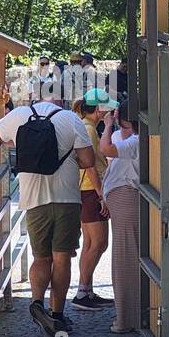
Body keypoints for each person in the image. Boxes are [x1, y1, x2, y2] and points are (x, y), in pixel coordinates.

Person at [0, 94, 95, 334]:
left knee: (40, 257)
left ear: (35, 103)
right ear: (61, 104)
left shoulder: (19, 115)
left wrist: (19, 144)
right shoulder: (70, 118)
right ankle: (57, 314)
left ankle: (37, 302)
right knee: (61, 258)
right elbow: (88, 160)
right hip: (67, 197)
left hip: (33, 198)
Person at [71, 88, 117, 311]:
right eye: (107, 106)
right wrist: (101, 195)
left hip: (87, 191)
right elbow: (89, 166)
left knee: (92, 244)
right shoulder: (88, 130)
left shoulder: (85, 126)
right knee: (98, 243)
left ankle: (86, 291)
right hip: (90, 191)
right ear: (98, 109)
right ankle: (81, 292)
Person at [100, 100, 140, 334]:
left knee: (124, 259)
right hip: (121, 198)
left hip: (125, 198)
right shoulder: (130, 139)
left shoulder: (134, 141)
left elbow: (105, 149)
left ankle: (126, 318)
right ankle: (128, 315)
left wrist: (107, 125)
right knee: (125, 257)